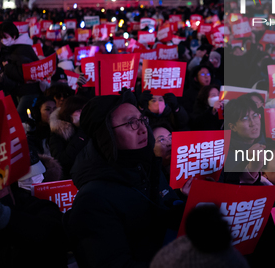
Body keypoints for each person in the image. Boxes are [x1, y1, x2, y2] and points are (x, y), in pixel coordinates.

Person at [67, 91, 186, 267]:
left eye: (142, 120)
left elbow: (150, 219)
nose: (143, 128)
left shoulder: (144, 168)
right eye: (131, 123)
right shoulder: (92, 200)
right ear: (105, 135)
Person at [49, 95, 90, 179]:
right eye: (78, 110)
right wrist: (81, 135)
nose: (83, 113)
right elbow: (61, 161)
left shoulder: (91, 128)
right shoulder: (59, 133)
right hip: (71, 180)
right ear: (68, 114)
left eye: (85, 109)